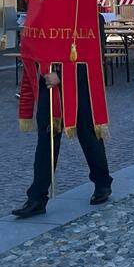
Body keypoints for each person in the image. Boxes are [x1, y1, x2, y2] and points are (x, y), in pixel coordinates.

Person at [12, 53, 114, 218]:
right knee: (46, 139)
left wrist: (60, 75)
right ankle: (37, 198)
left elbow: (91, 52)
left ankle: (102, 182)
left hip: (78, 85)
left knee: (88, 134)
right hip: (47, 82)